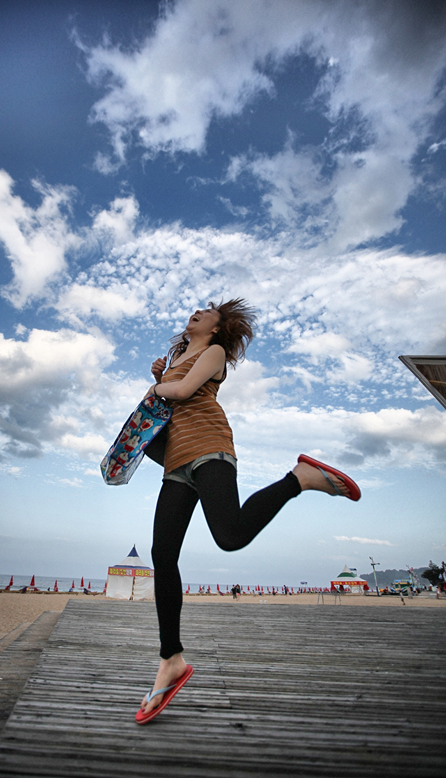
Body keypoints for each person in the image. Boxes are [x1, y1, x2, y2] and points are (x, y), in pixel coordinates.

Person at [135, 299, 361, 724]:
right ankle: (171, 659)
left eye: (208, 310)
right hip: (175, 462)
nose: (197, 311)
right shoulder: (174, 359)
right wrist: (159, 377)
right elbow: (169, 401)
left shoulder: (214, 352)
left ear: (217, 328)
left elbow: (182, 393)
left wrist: (158, 387)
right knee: (162, 555)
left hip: (210, 449)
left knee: (231, 536)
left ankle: (300, 478)